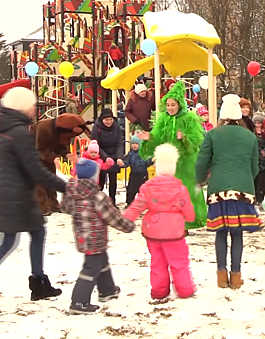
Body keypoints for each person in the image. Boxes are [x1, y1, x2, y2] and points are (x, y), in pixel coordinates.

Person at [0, 87, 67, 301]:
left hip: (10, 194)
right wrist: (66, 186)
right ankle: (38, 283)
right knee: (15, 239)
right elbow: (36, 169)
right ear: (23, 107)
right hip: (16, 196)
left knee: (23, 236)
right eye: (32, 106)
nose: (34, 110)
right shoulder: (19, 132)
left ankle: (39, 281)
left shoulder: (5, 127)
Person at [196, 94, 261, 289]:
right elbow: (255, 166)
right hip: (242, 190)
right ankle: (236, 275)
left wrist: (200, 179)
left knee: (221, 233)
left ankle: (221, 275)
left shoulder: (213, 134)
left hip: (218, 189)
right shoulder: (250, 136)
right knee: (237, 233)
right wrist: (247, 179)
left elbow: (202, 161)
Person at [60, 158, 135, 314]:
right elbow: (112, 217)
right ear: (94, 177)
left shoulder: (72, 193)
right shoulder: (97, 197)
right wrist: (128, 226)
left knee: (101, 260)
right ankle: (79, 302)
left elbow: (65, 208)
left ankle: (107, 290)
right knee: (91, 267)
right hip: (95, 237)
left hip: (82, 236)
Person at [124, 144, 196, 299]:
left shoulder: (148, 187)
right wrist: (189, 218)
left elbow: (137, 205)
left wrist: (126, 219)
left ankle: (159, 291)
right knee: (179, 262)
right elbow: (188, 210)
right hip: (174, 231)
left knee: (157, 263)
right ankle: (185, 290)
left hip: (153, 230)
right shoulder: (180, 188)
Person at [137, 81, 207, 230]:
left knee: (186, 189)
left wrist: (185, 138)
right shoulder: (163, 119)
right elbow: (157, 137)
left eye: (173, 105)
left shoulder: (188, 118)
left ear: (179, 105)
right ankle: (173, 219)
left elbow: (197, 140)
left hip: (186, 161)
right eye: (168, 105)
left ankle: (191, 219)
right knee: (170, 191)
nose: (170, 108)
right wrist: (148, 138)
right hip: (169, 162)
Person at [91, 108, 124, 206]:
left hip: (114, 155)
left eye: (110, 119)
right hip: (101, 156)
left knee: (113, 180)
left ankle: (112, 202)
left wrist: (119, 157)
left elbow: (119, 143)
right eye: (106, 120)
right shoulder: (97, 128)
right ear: (102, 120)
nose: (109, 122)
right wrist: (105, 158)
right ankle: (98, 202)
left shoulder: (116, 127)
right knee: (100, 180)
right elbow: (96, 145)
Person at [122, 135, 153, 206]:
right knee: (130, 190)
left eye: (136, 144)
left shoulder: (143, 153)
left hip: (143, 175)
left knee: (143, 190)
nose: (134, 145)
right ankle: (129, 203)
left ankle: (145, 204)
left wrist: (151, 160)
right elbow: (127, 162)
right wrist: (123, 164)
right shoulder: (130, 154)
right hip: (133, 174)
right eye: (133, 144)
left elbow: (147, 162)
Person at [253, 113, 265, 206]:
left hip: (263, 162)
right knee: (255, 181)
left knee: (262, 182)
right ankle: (255, 199)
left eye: (260, 123)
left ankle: (260, 199)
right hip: (254, 161)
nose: (258, 125)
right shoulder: (252, 134)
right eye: (256, 123)